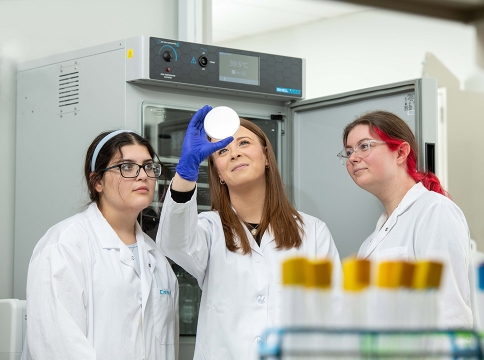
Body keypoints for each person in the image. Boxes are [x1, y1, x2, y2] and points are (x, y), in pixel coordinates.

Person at [156, 105, 342, 360]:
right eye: (222, 150)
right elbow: (173, 241)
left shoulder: (312, 232)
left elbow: (332, 314)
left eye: (244, 143)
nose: (234, 153)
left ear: (266, 157)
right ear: (218, 173)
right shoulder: (209, 230)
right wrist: (185, 172)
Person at [23, 130, 179, 360]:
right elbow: (57, 347)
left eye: (148, 166)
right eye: (126, 166)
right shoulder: (64, 245)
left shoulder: (157, 258)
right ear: (97, 181)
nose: (142, 175)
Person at [338, 110, 473, 328]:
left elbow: (449, 315)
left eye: (364, 146)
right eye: (348, 151)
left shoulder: (434, 211)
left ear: (400, 152)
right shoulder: (369, 244)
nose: (353, 157)